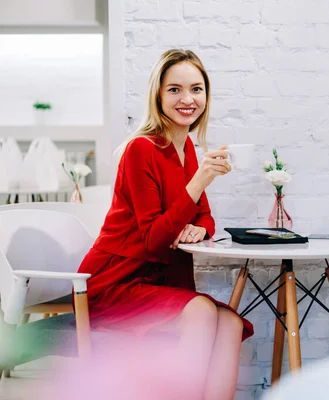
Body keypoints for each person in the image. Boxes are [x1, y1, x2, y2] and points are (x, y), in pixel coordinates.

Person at [77, 49, 253, 399]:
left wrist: (200, 227)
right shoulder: (140, 150)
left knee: (231, 321)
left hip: (160, 281)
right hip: (117, 281)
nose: (187, 99)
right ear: (158, 95)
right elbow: (155, 240)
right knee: (203, 311)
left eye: (196, 89)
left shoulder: (186, 147)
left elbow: (204, 215)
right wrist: (200, 180)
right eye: (174, 89)